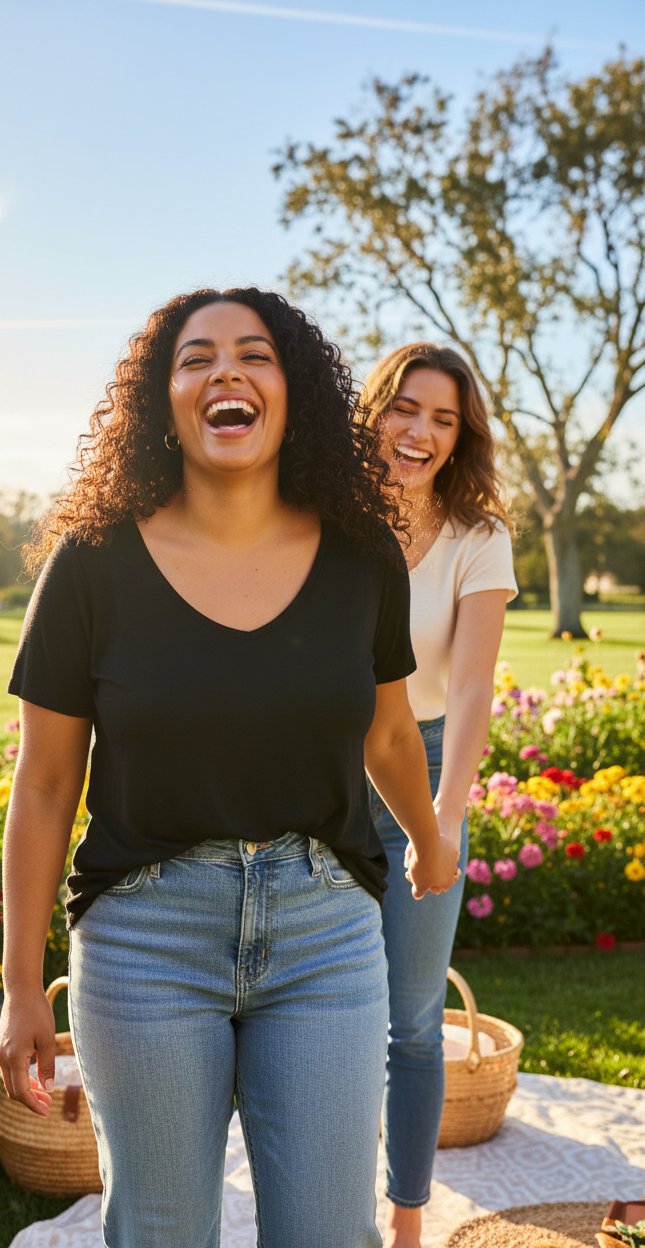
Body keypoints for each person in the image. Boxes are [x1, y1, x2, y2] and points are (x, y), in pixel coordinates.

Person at [0, 289, 460, 1248]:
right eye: (194, 359)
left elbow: (386, 735)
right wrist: (18, 984)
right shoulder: (91, 564)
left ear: (294, 395)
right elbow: (45, 784)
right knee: (161, 1231)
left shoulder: (363, 559)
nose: (225, 373)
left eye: (254, 354)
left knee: (331, 1233)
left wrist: (426, 835)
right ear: (163, 402)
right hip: (145, 939)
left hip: (326, 933)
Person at [363, 343, 518, 1248]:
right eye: (405, 409)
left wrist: (444, 820)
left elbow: (469, 689)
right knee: (312, 1005)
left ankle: (405, 1217)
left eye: (443, 419)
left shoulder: (477, 535)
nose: (419, 432)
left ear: (461, 439)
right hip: (319, 771)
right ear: (375, 412)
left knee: (413, 1021)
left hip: (421, 769)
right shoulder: (327, 514)